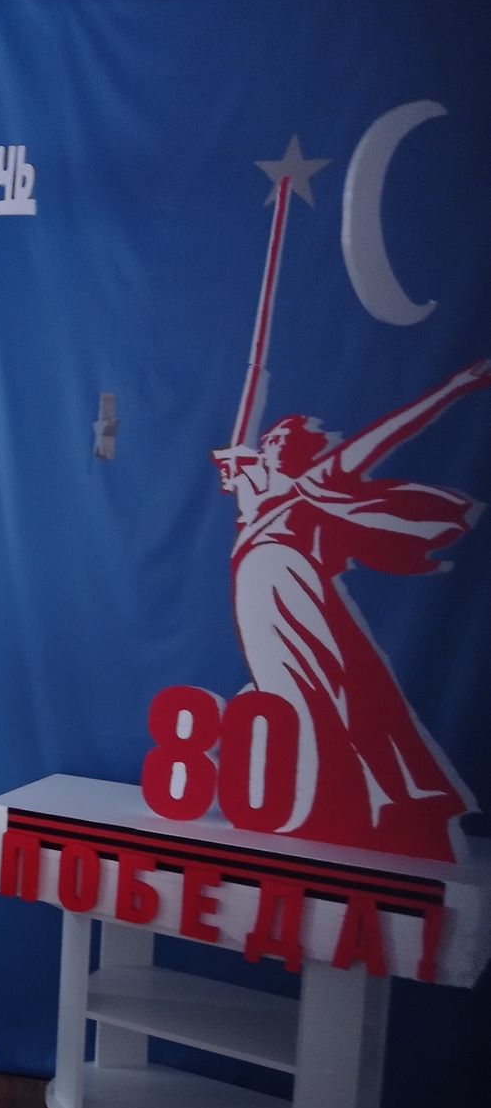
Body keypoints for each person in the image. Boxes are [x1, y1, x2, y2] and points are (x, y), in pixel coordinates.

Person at [212, 359, 491, 860]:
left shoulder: (317, 480)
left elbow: (386, 433)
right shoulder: (255, 495)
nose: (270, 444)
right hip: (258, 596)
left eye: (282, 438)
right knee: (287, 694)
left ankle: (377, 800)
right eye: (270, 438)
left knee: (330, 689)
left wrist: (454, 387)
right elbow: (241, 457)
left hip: (289, 589)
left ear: (304, 449)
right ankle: (304, 798)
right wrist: (237, 470)